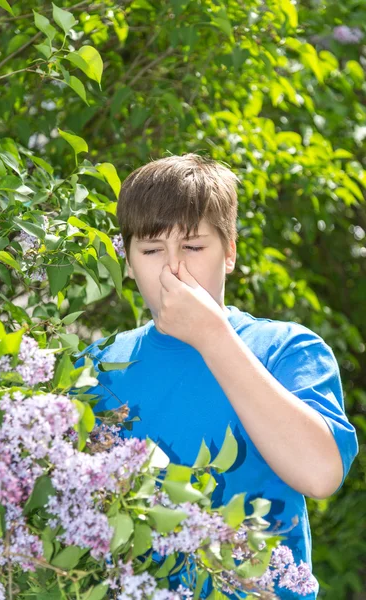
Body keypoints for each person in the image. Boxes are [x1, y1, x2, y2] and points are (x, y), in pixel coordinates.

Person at [73, 153, 359, 599]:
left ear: (229, 252)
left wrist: (211, 335)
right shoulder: (94, 370)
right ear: (127, 262)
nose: (172, 268)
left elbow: (320, 474)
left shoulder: (287, 349)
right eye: (150, 250)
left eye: (192, 247)